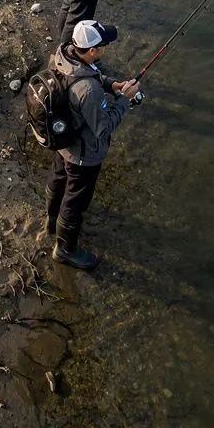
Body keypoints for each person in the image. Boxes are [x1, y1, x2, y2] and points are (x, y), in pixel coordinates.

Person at [43, 20, 141, 269]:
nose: (106, 47)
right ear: (92, 51)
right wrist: (124, 100)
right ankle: (64, 250)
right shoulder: (88, 91)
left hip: (62, 140)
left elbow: (91, 73)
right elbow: (103, 127)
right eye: (103, 44)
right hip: (83, 155)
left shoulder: (62, 54)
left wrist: (112, 85)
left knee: (58, 181)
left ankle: (51, 222)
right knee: (75, 201)